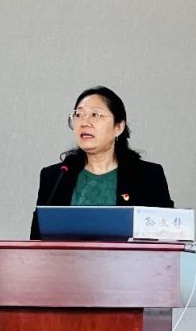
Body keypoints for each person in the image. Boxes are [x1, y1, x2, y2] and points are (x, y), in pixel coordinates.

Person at [30, 86, 173, 239]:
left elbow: (166, 239)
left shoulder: (148, 177)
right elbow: (37, 240)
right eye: (79, 114)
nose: (84, 122)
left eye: (95, 115)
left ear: (118, 127)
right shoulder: (55, 176)